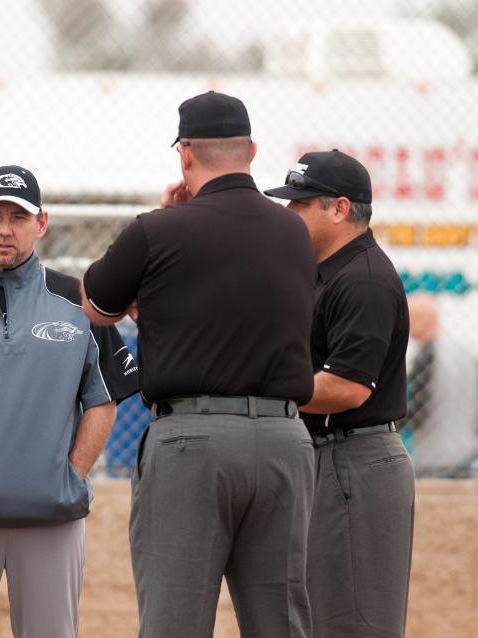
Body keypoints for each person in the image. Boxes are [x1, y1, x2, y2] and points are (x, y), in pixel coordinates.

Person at [81, 91, 317, 638]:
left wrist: (164, 234)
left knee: (175, 622)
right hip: (285, 437)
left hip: (193, 441)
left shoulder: (159, 230)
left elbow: (96, 302)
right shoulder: (295, 233)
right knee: (281, 623)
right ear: (252, 151)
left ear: (185, 155)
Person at [0, 165, 140, 637]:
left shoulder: (81, 301)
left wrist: (69, 476)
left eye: (19, 216)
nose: (6, 229)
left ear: (42, 223)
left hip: (50, 517)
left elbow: (103, 399)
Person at [264, 149, 414, 637]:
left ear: (340, 208)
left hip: (356, 460)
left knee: (353, 623)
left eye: (301, 203)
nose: (289, 213)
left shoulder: (364, 279)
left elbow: (346, 389)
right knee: (321, 617)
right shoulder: (321, 271)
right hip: (326, 457)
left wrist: (258, 387)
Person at [403, 293, 478, 477]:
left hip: (432, 455)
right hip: (464, 450)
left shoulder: (427, 356)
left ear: (421, 320)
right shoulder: (465, 353)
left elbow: (419, 410)